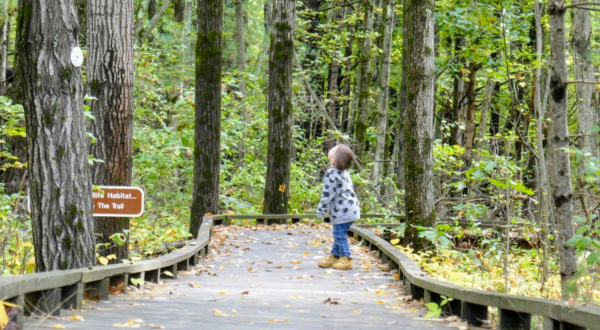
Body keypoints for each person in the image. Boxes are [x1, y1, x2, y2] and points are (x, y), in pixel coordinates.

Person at [316, 144, 360, 270]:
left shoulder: (332, 174)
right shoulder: (344, 172)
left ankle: (346, 258)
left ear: (333, 161)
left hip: (343, 212)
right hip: (350, 209)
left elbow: (327, 194)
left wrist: (321, 210)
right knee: (338, 233)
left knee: (339, 235)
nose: (333, 148)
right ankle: (335, 255)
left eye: (334, 149)